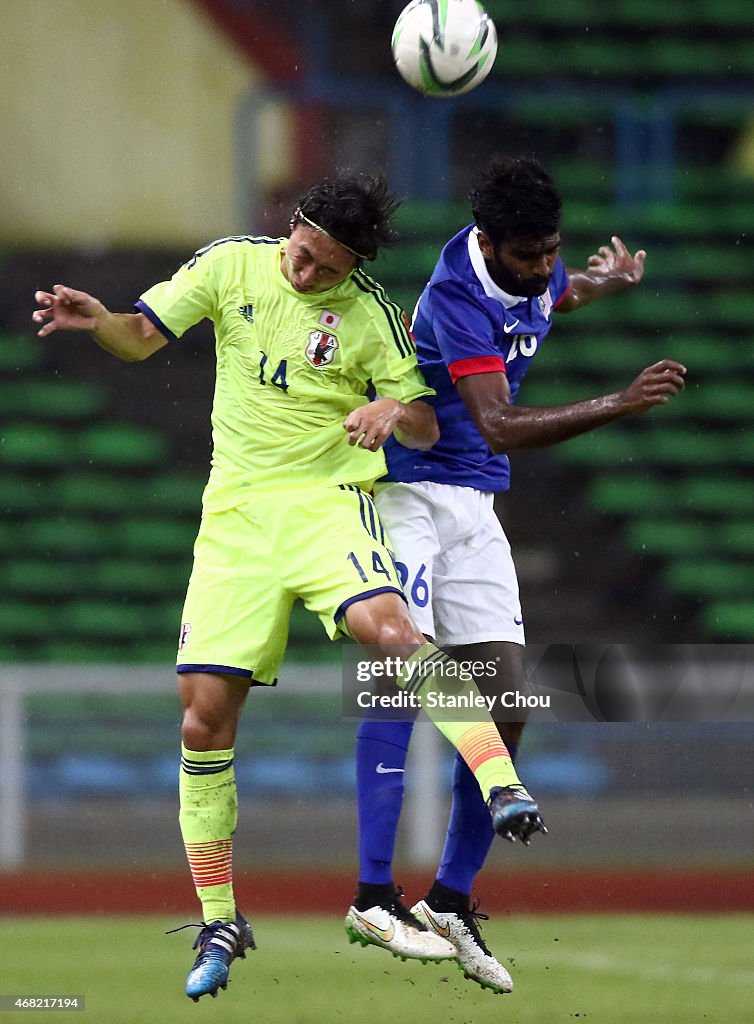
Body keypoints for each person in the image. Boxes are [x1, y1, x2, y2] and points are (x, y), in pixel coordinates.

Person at [32, 174, 546, 1002]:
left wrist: (389, 409)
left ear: (353, 266)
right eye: (304, 257)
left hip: (327, 508)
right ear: (293, 230)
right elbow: (139, 335)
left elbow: (422, 419)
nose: (309, 277)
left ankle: (500, 782)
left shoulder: (373, 314)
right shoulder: (230, 266)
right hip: (234, 520)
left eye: (328, 271)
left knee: (394, 632)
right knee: (202, 722)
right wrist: (97, 324)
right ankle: (219, 920)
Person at [353, 156, 687, 994]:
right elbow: (497, 425)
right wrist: (619, 401)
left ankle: (453, 902)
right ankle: (372, 893)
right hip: (411, 492)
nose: (545, 265)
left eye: (555, 249)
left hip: (474, 507)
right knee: (398, 675)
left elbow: (554, 297)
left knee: (509, 706)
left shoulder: (529, 264)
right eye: (530, 254)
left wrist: (600, 283)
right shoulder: (454, 300)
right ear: (489, 242)